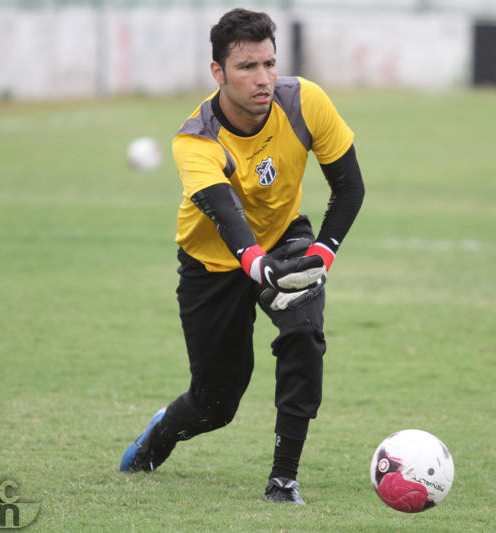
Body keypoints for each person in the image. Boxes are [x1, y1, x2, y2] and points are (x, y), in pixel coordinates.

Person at [120, 8, 365, 505]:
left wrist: (321, 255)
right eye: (247, 67)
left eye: (269, 64)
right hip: (212, 262)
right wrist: (258, 266)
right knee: (215, 405)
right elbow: (225, 215)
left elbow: (349, 187)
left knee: (303, 335)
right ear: (218, 73)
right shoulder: (195, 139)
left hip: (284, 237)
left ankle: (283, 479)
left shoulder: (305, 101)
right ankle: (160, 433)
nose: (263, 79)